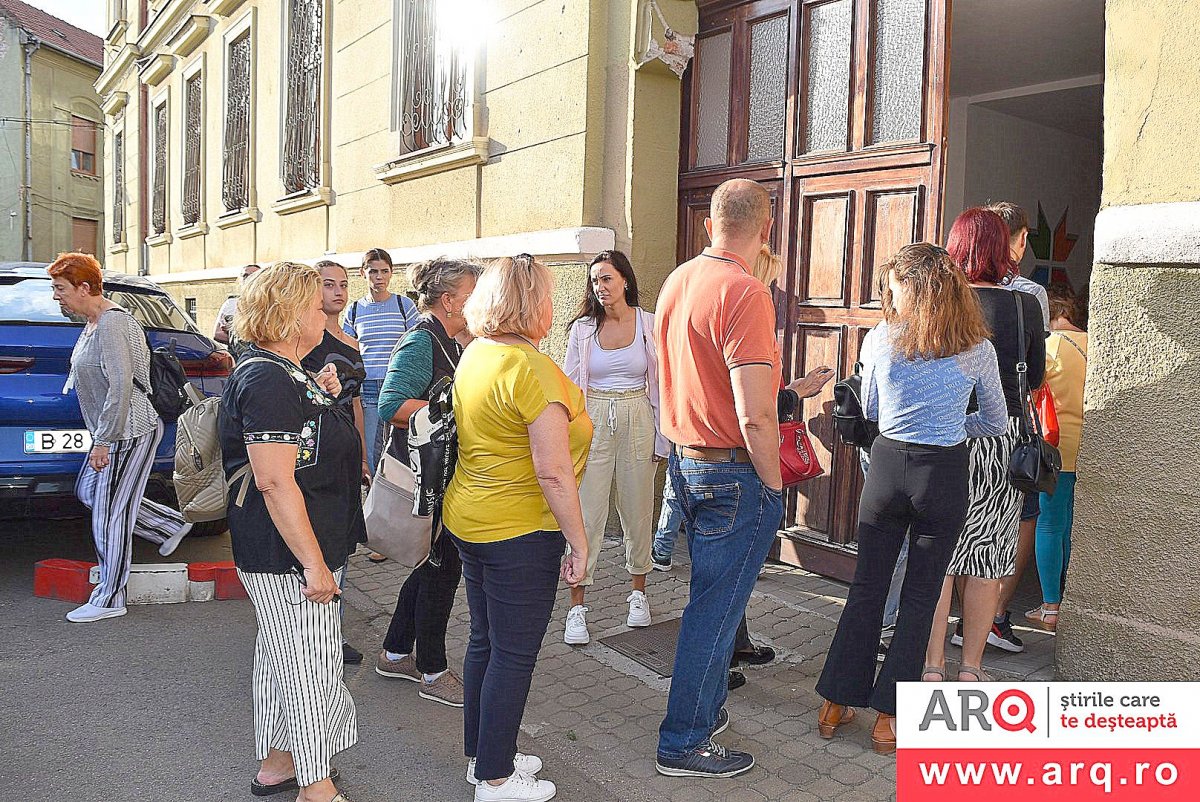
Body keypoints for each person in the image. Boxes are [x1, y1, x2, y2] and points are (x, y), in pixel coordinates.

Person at [815, 243, 1008, 753]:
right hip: (942, 473)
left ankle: (835, 701)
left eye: (895, 287)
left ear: (916, 290)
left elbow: (872, 409)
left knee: (867, 587)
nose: (889, 296)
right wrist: (952, 425)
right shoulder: (977, 348)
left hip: (887, 466)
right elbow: (995, 420)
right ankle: (890, 717)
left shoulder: (881, 338)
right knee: (921, 597)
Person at [444, 255, 592, 802]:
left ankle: (484, 755)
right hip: (519, 531)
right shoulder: (532, 369)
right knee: (512, 653)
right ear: (532, 304)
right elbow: (553, 471)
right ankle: (496, 779)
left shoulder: (477, 352)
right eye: (548, 296)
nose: (553, 305)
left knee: (485, 639)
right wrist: (579, 541)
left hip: (471, 518)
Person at [653, 179, 783, 779]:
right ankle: (684, 740)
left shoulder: (679, 280)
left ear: (710, 224)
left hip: (686, 461)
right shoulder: (745, 291)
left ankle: (702, 713)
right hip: (732, 470)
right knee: (716, 613)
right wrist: (773, 485)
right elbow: (755, 415)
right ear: (766, 228)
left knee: (708, 603)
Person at [219, 262, 361, 802]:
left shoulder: (284, 371)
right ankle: (316, 786)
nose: (324, 313)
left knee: (282, 656)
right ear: (288, 314)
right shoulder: (269, 378)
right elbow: (275, 481)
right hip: (287, 553)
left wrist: (318, 394)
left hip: (296, 545)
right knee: (309, 667)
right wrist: (314, 564)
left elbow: (301, 445)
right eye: (314, 304)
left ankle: (278, 763)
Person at [925, 208, 1045, 683]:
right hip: (1001, 440)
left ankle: (932, 666)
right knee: (987, 558)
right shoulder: (1024, 305)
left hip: (946, 435)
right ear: (1003, 250)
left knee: (939, 555)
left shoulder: (938, 302)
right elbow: (1035, 377)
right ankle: (971, 669)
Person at [47, 252, 193, 623]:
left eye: (60, 288)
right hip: (114, 430)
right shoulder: (93, 322)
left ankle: (110, 597)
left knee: (110, 514)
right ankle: (169, 525)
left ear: (84, 287)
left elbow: (121, 385)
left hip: (129, 430)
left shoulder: (113, 323)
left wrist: (104, 440)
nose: (55, 296)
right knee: (90, 492)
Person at [375, 257, 481, 708]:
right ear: (449, 300)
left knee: (430, 565)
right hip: (427, 479)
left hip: (440, 476)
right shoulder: (422, 340)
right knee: (441, 571)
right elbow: (390, 405)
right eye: (473, 294)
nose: (479, 301)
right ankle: (433, 672)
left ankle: (395, 652)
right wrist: (458, 409)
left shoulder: (449, 339)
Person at [561, 250, 669, 644]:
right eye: (595, 281)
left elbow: (663, 383)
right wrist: (569, 438)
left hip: (638, 415)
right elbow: (571, 386)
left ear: (625, 280)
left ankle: (638, 593)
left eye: (606, 278)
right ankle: (576, 607)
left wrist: (663, 437)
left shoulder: (649, 323)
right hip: (594, 418)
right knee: (586, 513)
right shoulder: (583, 329)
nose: (600, 287)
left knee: (638, 509)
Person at [985, 201, 1050, 650]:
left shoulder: (954, 289)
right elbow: (1037, 373)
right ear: (1022, 239)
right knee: (1023, 515)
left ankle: (935, 640)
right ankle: (993, 616)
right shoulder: (1029, 297)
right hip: (1012, 421)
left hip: (960, 424)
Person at [302, 259, 370, 665]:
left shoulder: (352, 341)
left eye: (343, 284)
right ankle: (312, 632)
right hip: (315, 451)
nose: (338, 292)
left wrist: (362, 453)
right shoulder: (305, 340)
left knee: (342, 541)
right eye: (329, 284)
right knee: (317, 538)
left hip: (345, 449)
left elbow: (356, 401)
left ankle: (332, 631)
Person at [1027, 284, 1087, 632]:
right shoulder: (1096, 342)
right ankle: (1064, 597)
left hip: (1056, 446)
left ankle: (1051, 606)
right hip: (1087, 446)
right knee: (1067, 523)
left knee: (1049, 522)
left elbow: (1031, 389)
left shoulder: (1052, 346)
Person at [342, 247, 420, 472]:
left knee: (401, 448)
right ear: (363, 273)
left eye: (384, 271)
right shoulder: (354, 310)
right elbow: (349, 350)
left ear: (391, 273)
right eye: (373, 271)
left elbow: (416, 343)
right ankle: (375, 490)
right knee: (372, 450)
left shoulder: (404, 305)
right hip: (368, 386)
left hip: (398, 384)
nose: (379, 277)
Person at [213, 263, 261, 344]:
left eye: (254, 275)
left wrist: (233, 332)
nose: (249, 278)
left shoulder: (270, 305)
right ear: (240, 280)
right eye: (245, 275)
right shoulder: (230, 304)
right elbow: (217, 334)